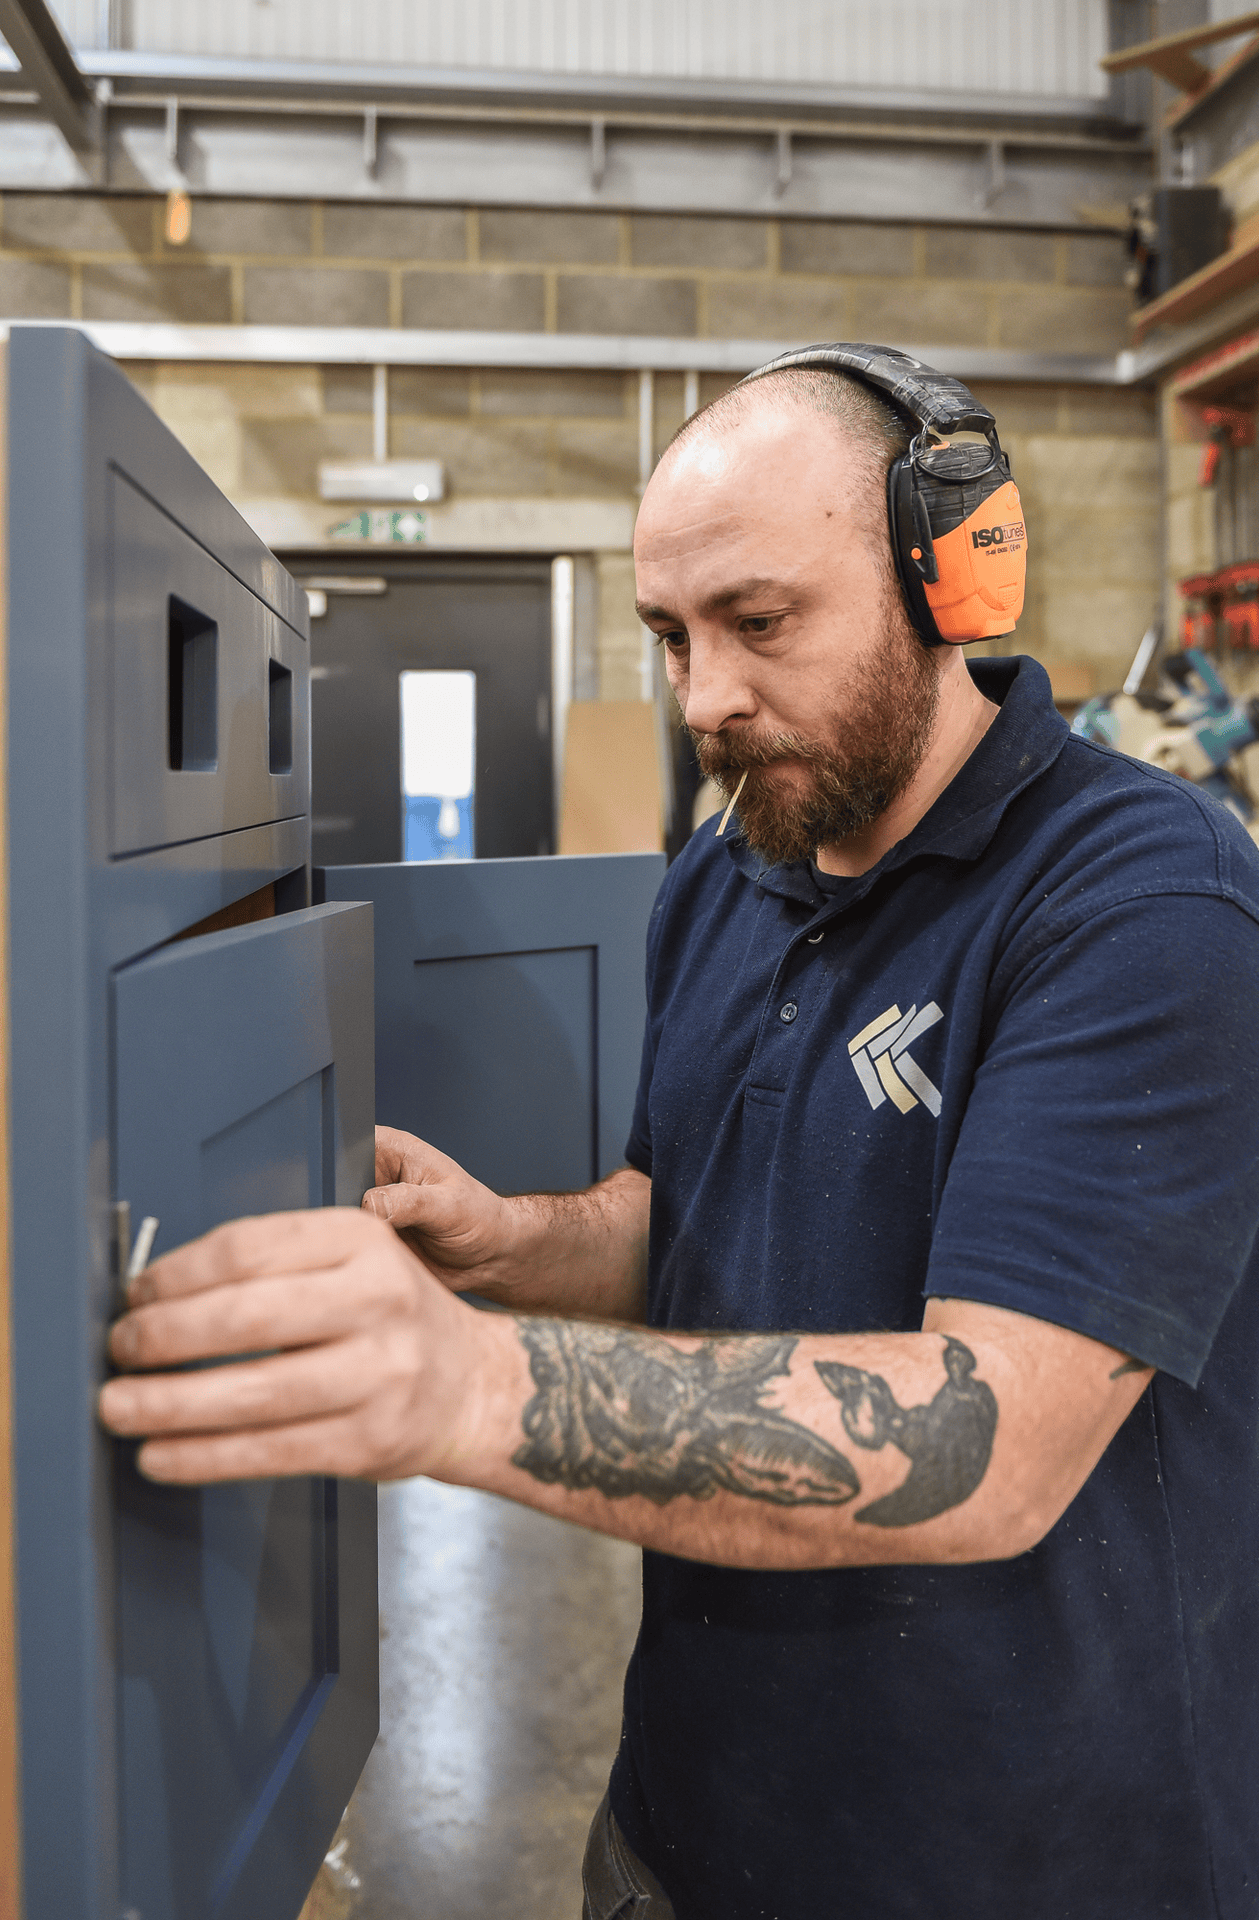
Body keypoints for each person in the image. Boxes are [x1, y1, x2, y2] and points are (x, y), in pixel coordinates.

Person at [100, 354, 1259, 1920]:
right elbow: (698, 1210)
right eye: (668, 637)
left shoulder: (1141, 899)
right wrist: (518, 1246)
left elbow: (986, 1444)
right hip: (681, 1829)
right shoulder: (725, 871)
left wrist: (460, 1382)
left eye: (759, 623)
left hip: (1015, 1858)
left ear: (953, 578)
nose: (704, 696)